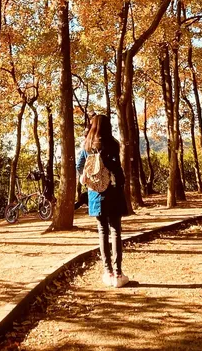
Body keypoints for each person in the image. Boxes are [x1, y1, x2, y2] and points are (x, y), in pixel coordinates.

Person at [76, 113, 129, 288]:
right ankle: (118, 274)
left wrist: (85, 175)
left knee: (102, 231)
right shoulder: (112, 144)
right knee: (115, 231)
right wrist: (121, 183)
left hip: (95, 193)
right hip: (112, 192)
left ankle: (108, 272)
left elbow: (78, 166)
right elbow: (117, 168)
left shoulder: (87, 145)